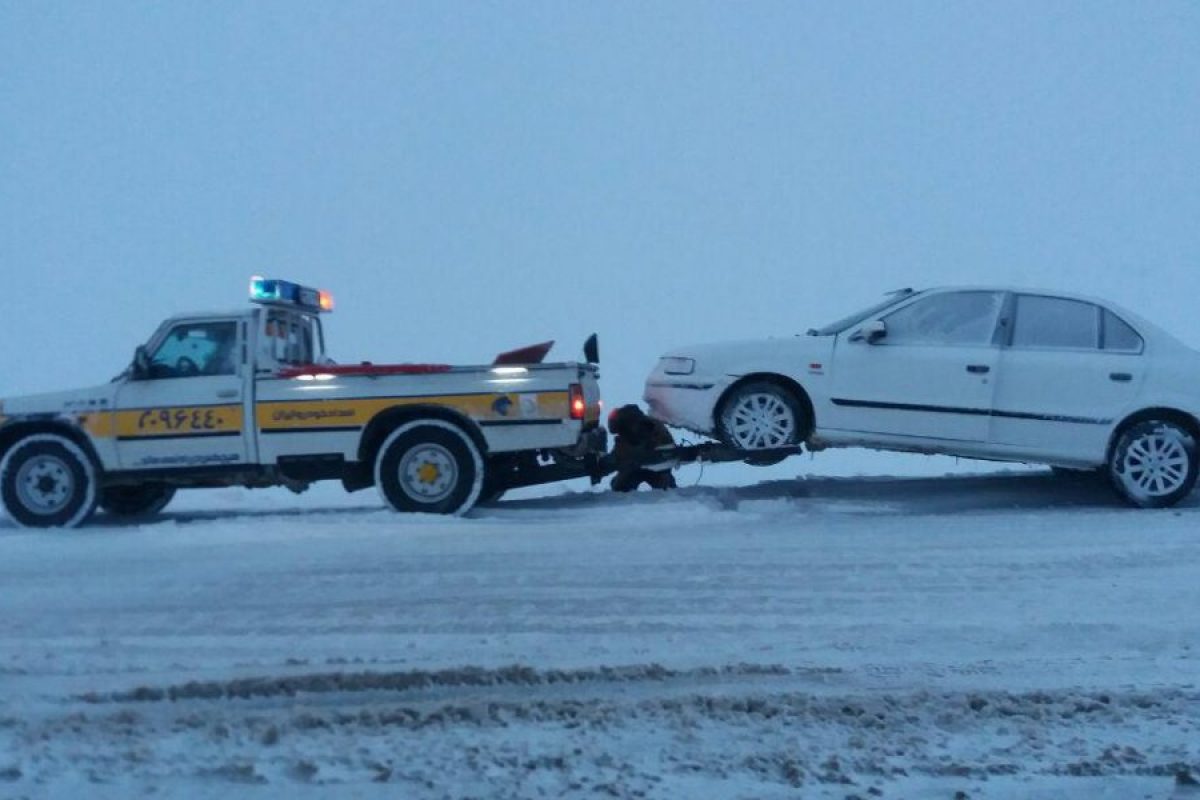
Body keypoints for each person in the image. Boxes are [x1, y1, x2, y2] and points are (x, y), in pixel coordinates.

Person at [607, 404, 677, 492]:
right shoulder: (651, 423)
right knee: (667, 489)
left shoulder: (630, 430)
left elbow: (619, 456)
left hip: (648, 465)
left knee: (620, 487)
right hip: (659, 463)